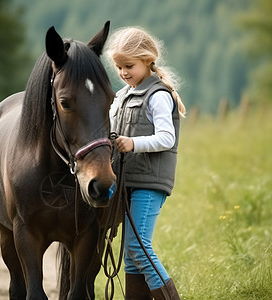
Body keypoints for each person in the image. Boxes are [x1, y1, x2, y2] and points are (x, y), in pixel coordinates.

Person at [107, 26, 186, 300]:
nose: (123, 73)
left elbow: (166, 137)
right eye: (118, 67)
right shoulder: (120, 97)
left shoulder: (159, 95)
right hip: (126, 181)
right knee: (131, 256)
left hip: (149, 183)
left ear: (147, 60)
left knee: (139, 248)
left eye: (129, 66)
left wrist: (132, 143)